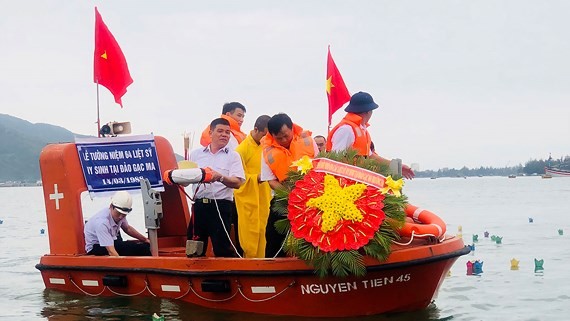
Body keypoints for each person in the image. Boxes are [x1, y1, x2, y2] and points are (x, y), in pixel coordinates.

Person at [260, 113, 319, 257]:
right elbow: (270, 180)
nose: (284, 140)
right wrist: (289, 194)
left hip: (311, 198)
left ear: (292, 128)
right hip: (282, 199)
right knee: (274, 238)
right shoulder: (267, 152)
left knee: (312, 238)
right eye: (278, 138)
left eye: (286, 135)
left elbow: (320, 168)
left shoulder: (309, 142)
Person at [188, 117, 245, 257]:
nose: (224, 135)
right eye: (220, 131)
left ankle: (225, 277)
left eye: (227, 132)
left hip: (221, 206)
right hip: (199, 206)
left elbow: (238, 182)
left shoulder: (233, 156)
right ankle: (194, 277)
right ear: (211, 132)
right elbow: (187, 179)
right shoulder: (196, 154)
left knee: (222, 248)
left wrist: (220, 177)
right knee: (194, 247)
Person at [326, 91, 415, 179]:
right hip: (344, 183)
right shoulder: (346, 129)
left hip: (358, 180)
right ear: (368, 112)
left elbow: (371, 156)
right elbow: (335, 160)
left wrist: (398, 167)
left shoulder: (361, 130)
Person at [234, 115, 272, 258]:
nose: (266, 139)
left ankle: (263, 263)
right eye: (264, 135)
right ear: (256, 129)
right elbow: (238, 179)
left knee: (263, 229)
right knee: (250, 231)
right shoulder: (241, 150)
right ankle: (250, 261)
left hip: (263, 194)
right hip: (247, 198)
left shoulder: (266, 146)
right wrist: (256, 177)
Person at [84, 191, 151, 256]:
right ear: (111, 206)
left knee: (143, 246)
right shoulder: (102, 223)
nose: (121, 217)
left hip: (111, 240)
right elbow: (111, 252)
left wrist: (145, 240)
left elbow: (127, 229)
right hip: (96, 247)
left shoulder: (120, 214)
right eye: (118, 213)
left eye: (124, 214)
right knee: (137, 248)